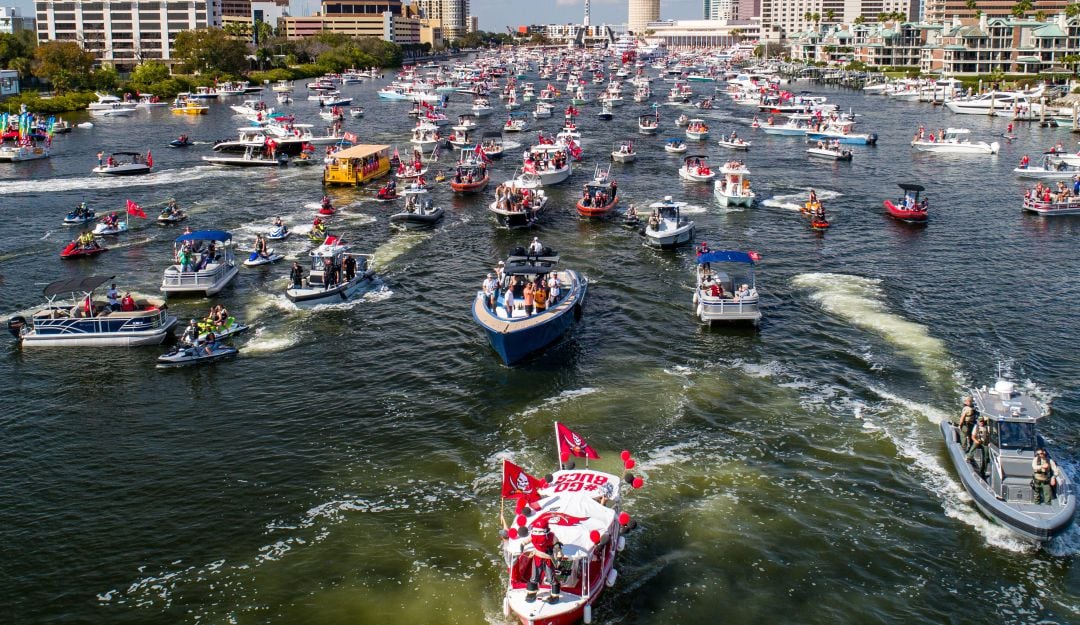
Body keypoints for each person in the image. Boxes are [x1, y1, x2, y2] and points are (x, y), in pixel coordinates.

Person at [525, 519, 562, 604]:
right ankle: (532, 592)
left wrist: (559, 556)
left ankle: (555, 595)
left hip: (548, 558)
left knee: (550, 576)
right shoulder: (533, 535)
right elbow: (528, 540)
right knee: (534, 575)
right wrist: (522, 544)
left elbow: (557, 546)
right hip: (537, 557)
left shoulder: (552, 537)